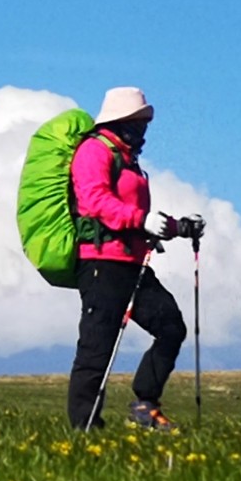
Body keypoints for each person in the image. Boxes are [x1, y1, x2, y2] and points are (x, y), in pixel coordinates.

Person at [65, 88, 186, 431]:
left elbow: (134, 215)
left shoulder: (126, 157)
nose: (143, 129)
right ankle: (84, 427)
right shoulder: (94, 151)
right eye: (138, 121)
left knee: (171, 327)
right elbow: (94, 202)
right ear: (120, 120)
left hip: (132, 263)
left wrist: (177, 227)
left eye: (144, 122)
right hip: (101, 263)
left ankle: (144, 404)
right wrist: (141, 220)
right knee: (96, 347)